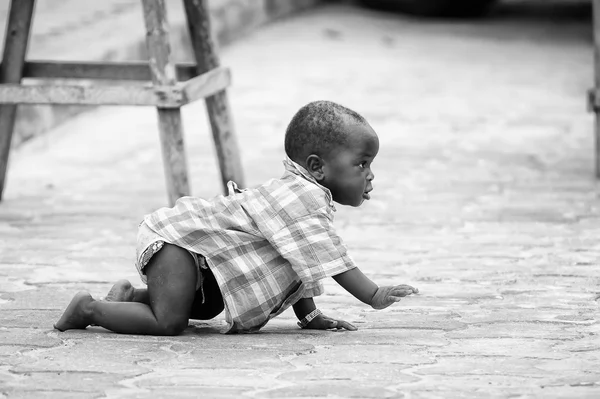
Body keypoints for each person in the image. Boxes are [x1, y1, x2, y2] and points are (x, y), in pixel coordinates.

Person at [54, 100, 418, 335]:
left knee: (210, 305)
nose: (369, 175)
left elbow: (299, 261)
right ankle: (89, 309)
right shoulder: (302, 199)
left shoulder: (306, 197)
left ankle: (130, 297)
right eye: (362, 164)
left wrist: (309, 317)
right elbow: (329, 260)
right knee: (169, 323)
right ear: (317, 168)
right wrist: (373, 294)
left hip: (192, 254)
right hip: (175, 241)